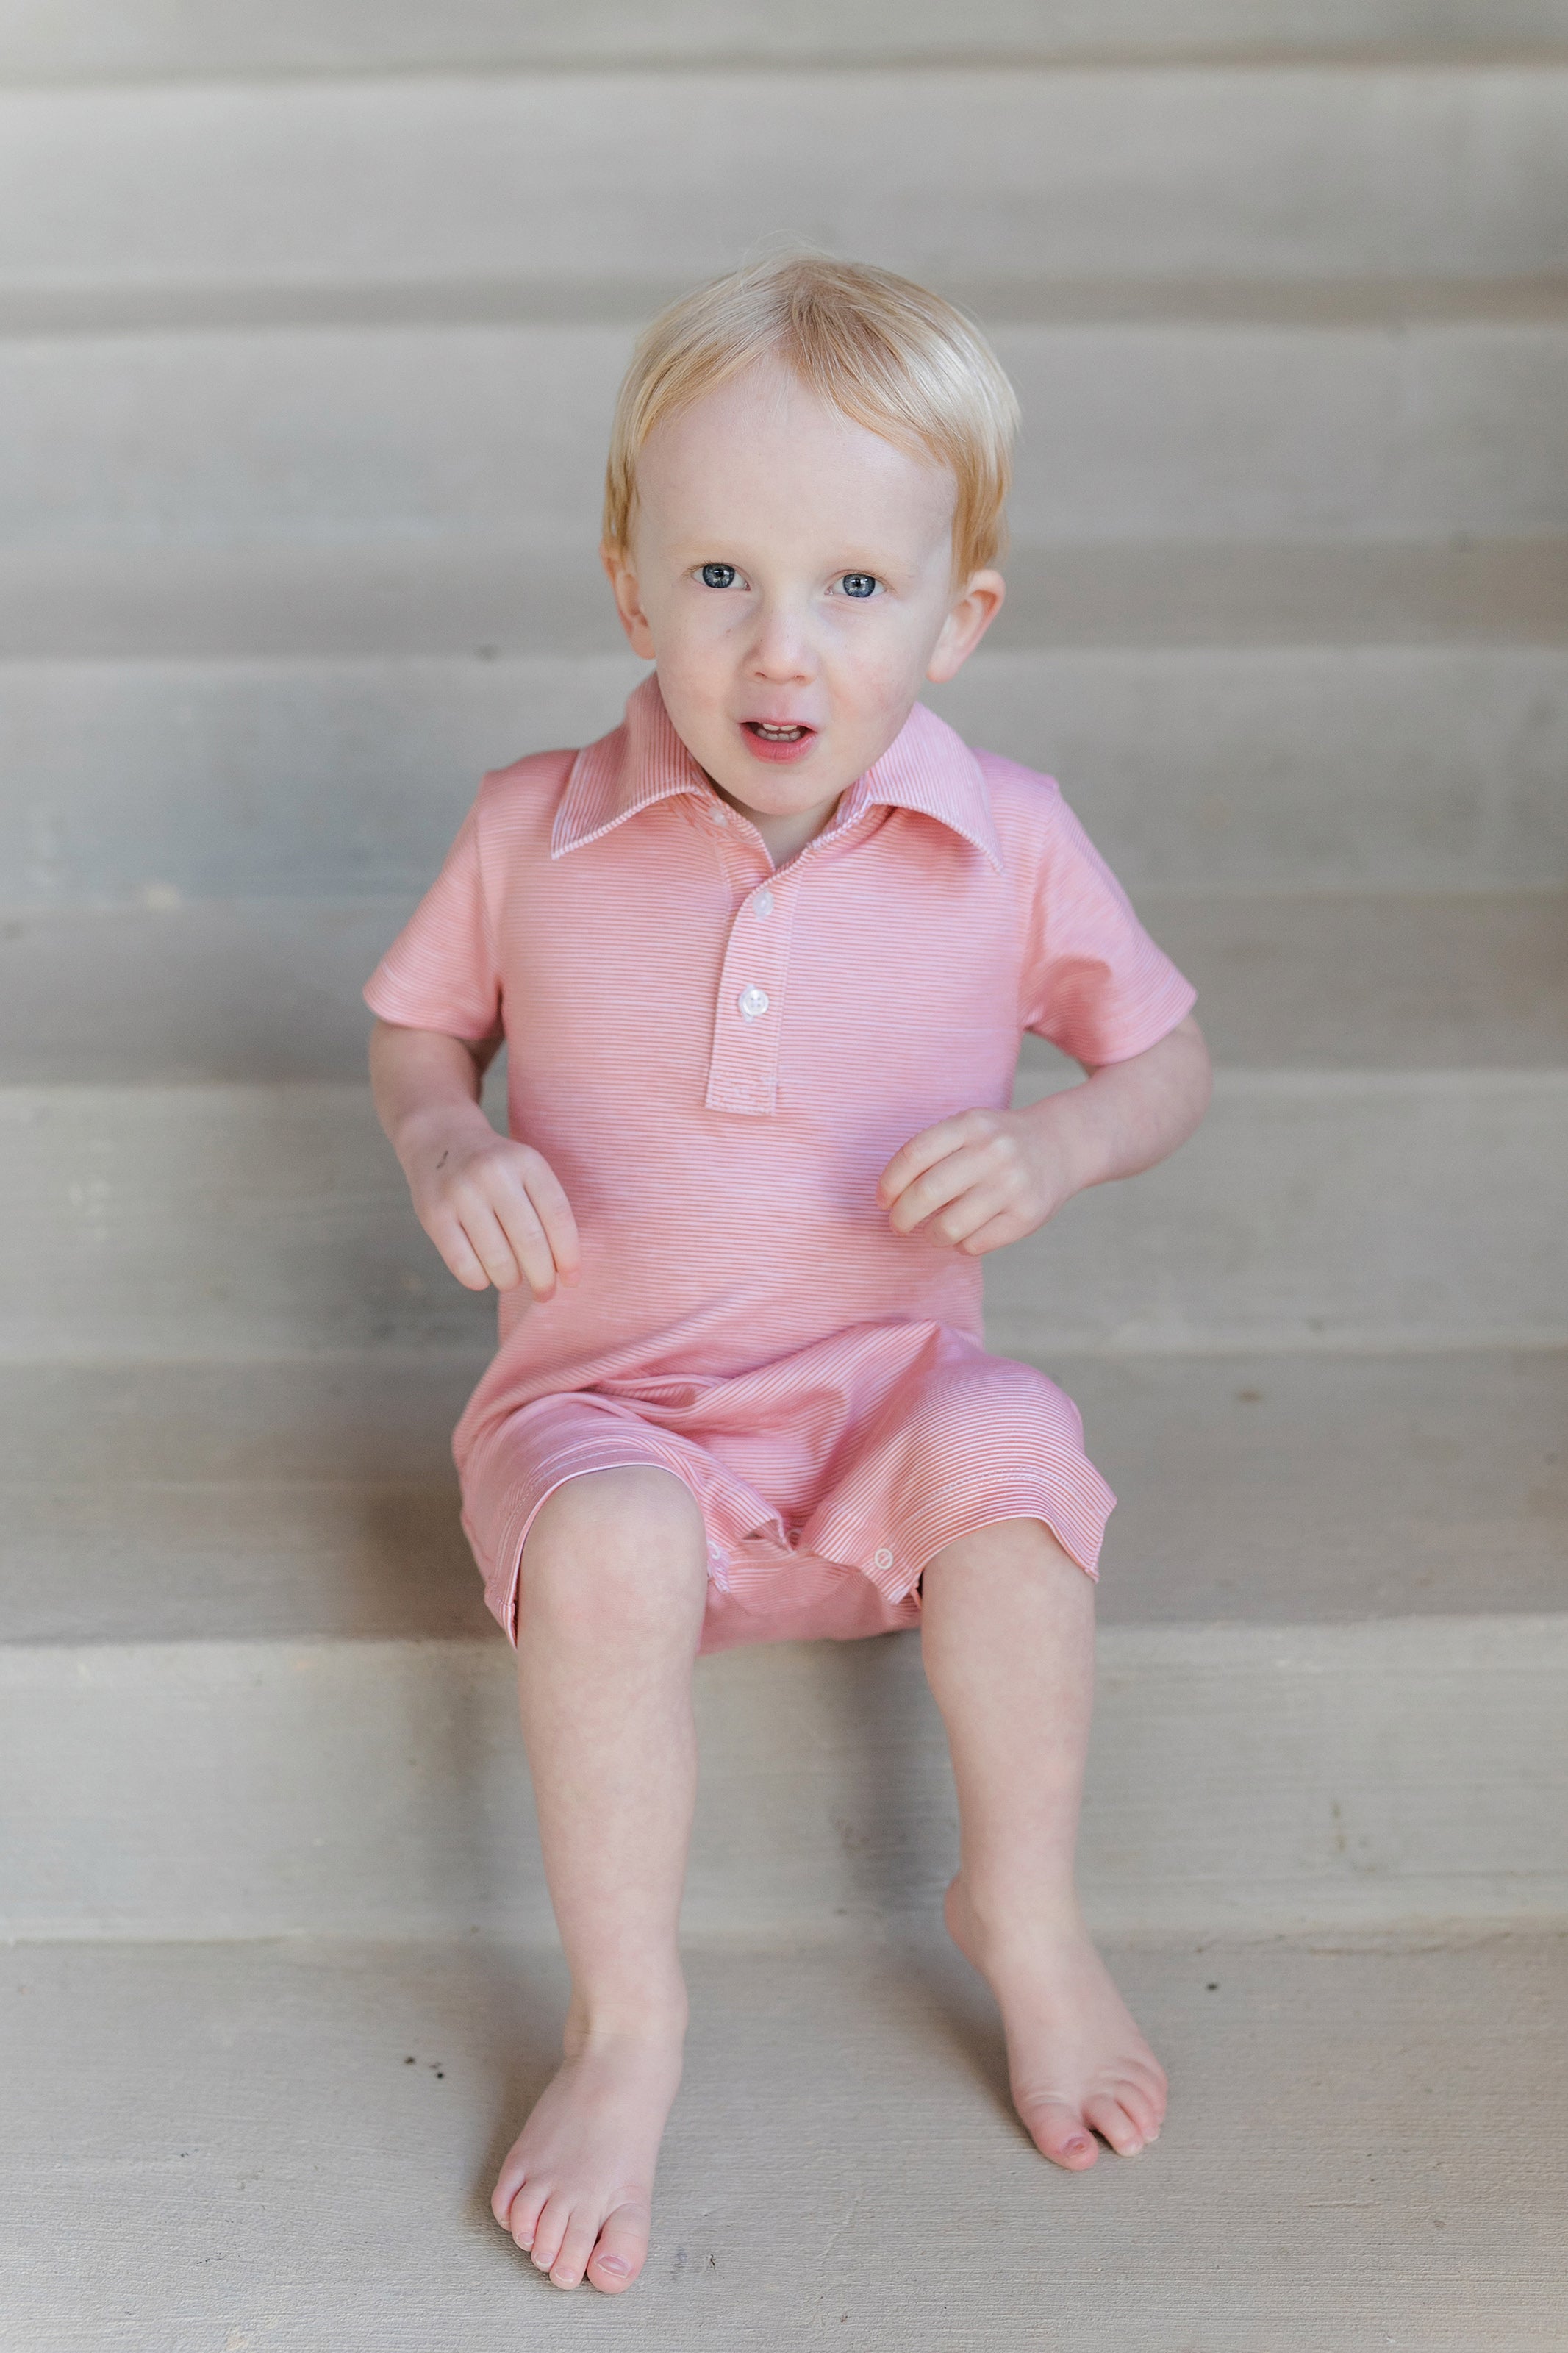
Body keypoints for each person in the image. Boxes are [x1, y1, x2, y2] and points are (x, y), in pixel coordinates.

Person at [365, 254, 1211, 2296]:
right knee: (614, 1548)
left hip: (877, 1408)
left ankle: (1021, 1913)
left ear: (958, 615)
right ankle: (627, 2023)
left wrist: (1065, 1135)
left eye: (853, 586)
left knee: (1016, 1456)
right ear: (628, 583)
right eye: (721, 573)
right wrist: (449, 1137)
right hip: (608, 1409)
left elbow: (1164, 1057)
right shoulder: (530, 829)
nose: (781, 642)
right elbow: (417, 1031)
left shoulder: (1011, 841)